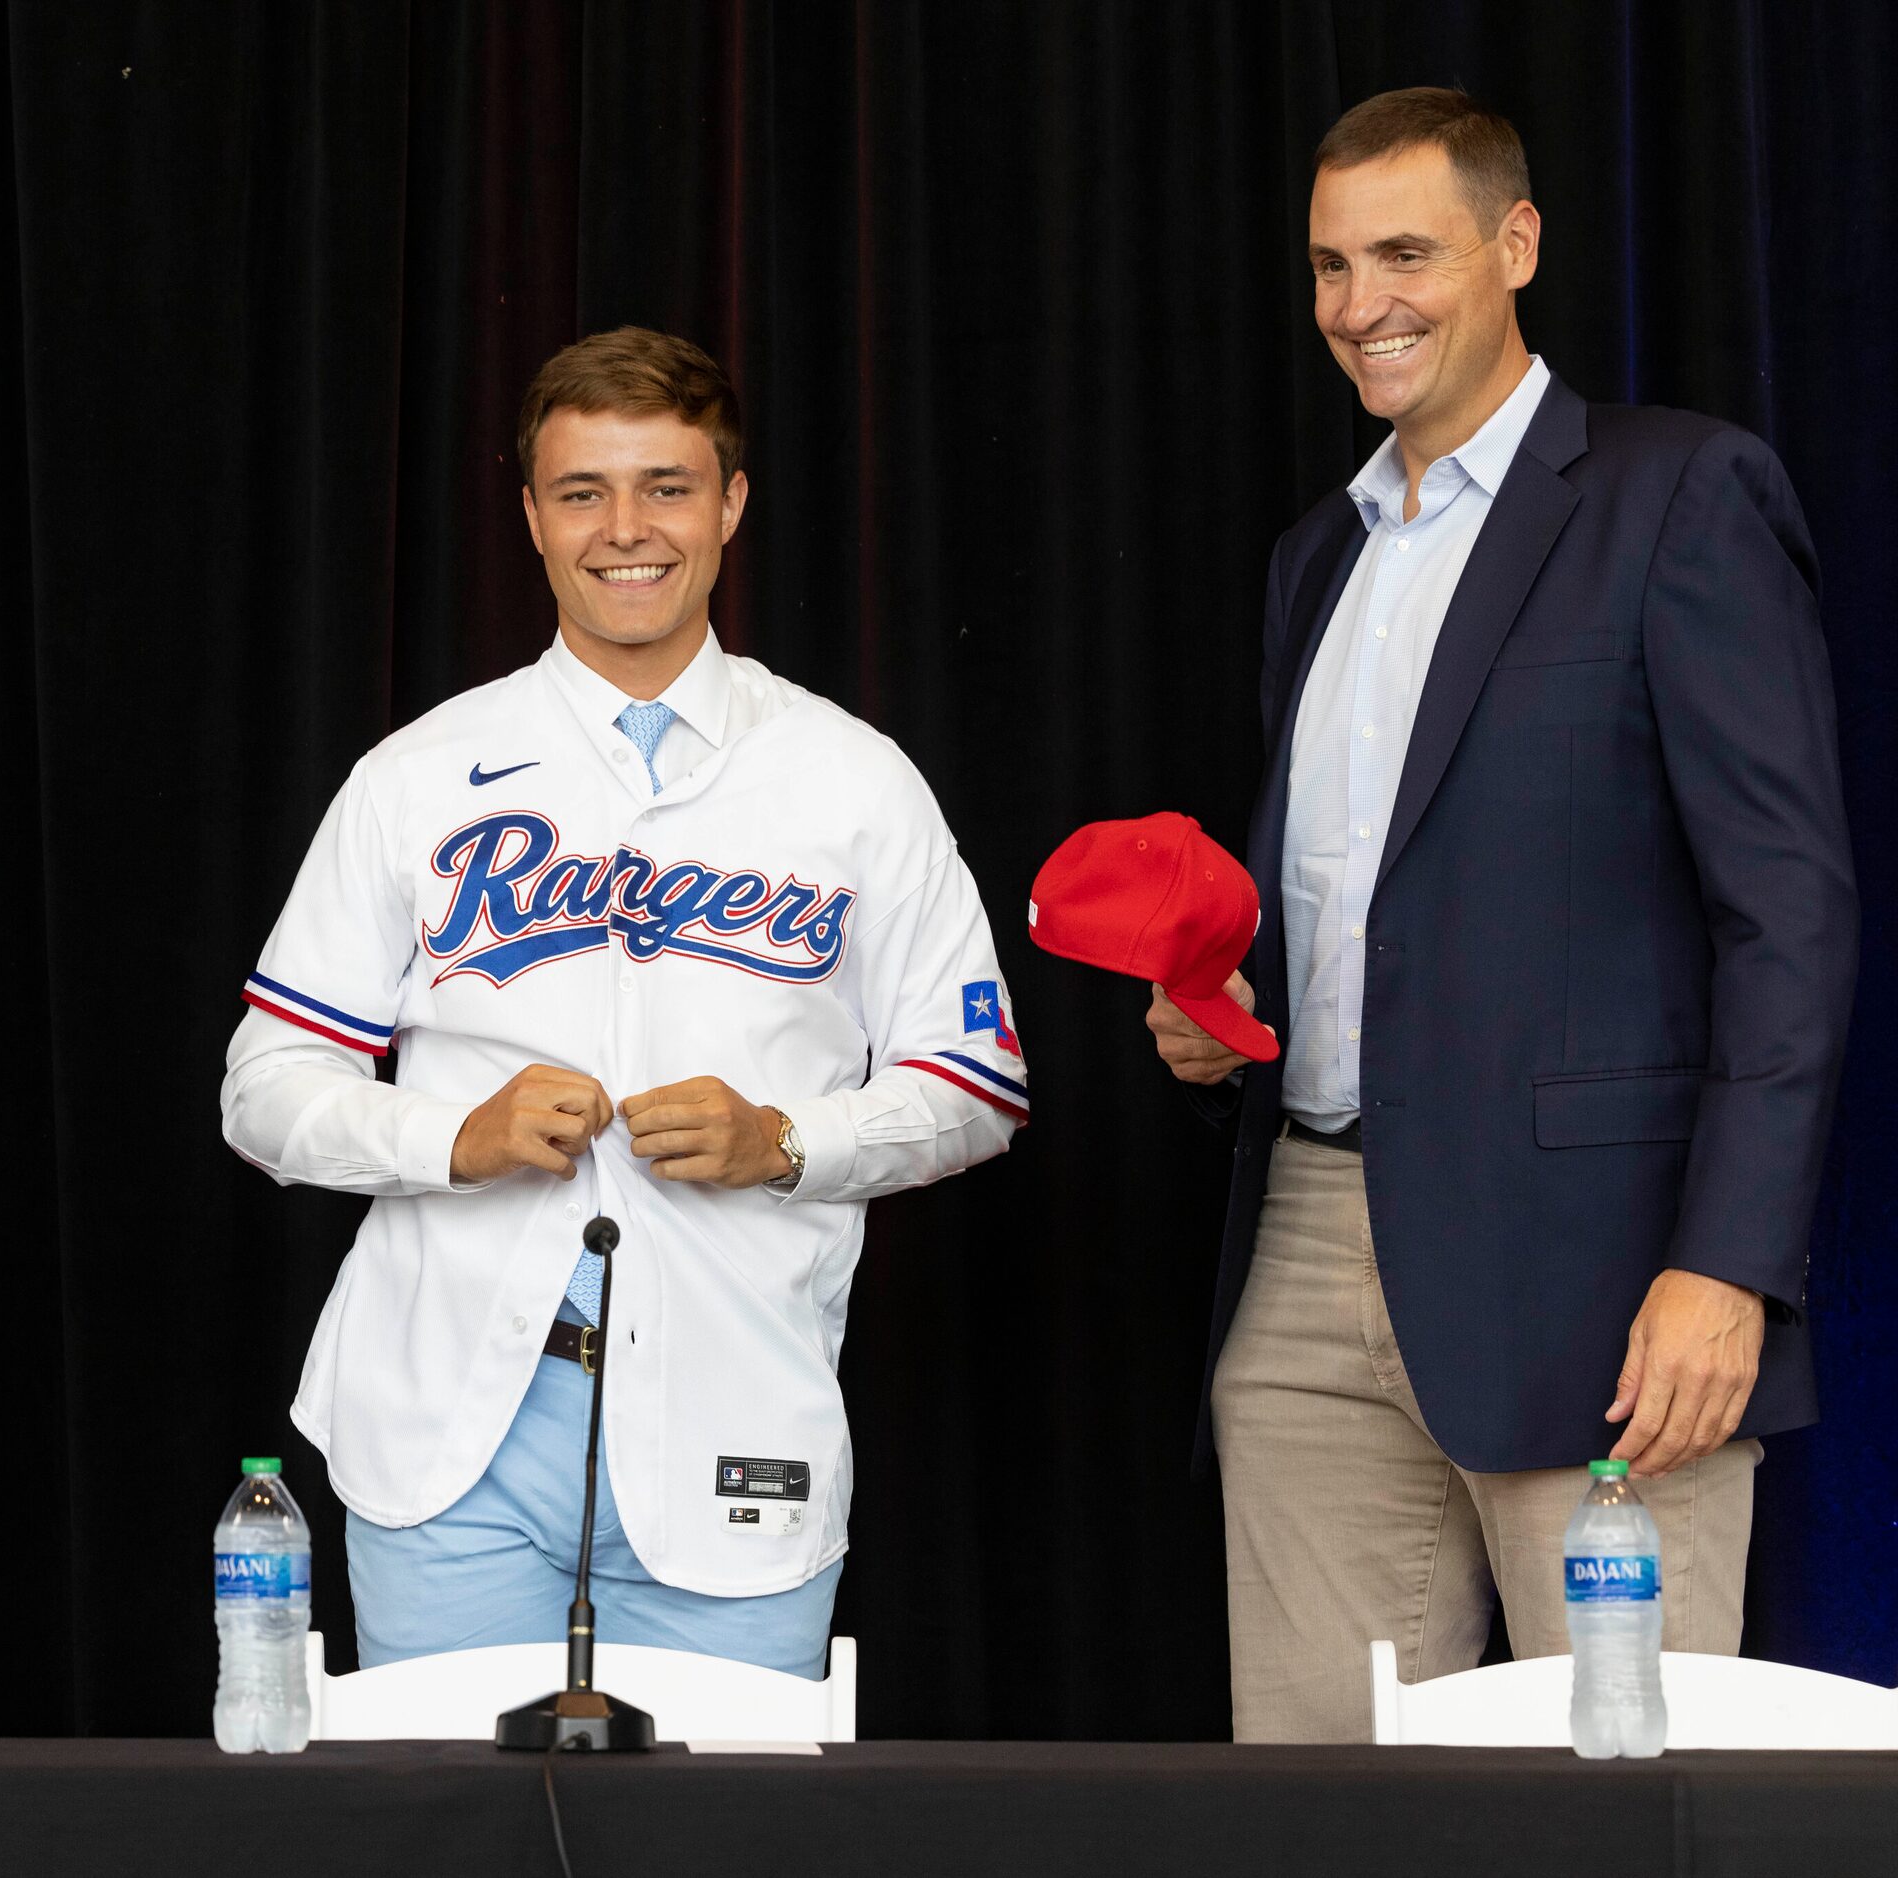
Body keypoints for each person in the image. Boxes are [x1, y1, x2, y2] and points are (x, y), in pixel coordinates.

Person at [1146, 90, 1857, 1741]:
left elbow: (1791, 913)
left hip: (1600, 1285)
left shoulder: (1680, 494)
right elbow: (1378, 897)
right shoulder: (1315, 556)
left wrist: (1726, 1262)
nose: (1360, 301)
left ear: (1515, 246)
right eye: (1330, 263)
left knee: (1623, 1791)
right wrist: (1230, 1011)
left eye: (1405, 250)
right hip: (1309, 1246)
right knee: (1317, 1809)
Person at [221, 327, 1027, 1676]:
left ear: (731, 503)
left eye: (665, 484)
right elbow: (263, 1082)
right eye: (583, 490)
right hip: (446, 1425)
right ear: (531, 515)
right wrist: (446, 1138)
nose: (626, 529)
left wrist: (788, 1142)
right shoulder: (420, 774)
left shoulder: (852, 778)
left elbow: (980, 1087)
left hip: (733, 1415)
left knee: (715, 1845)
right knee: (455, 1837)